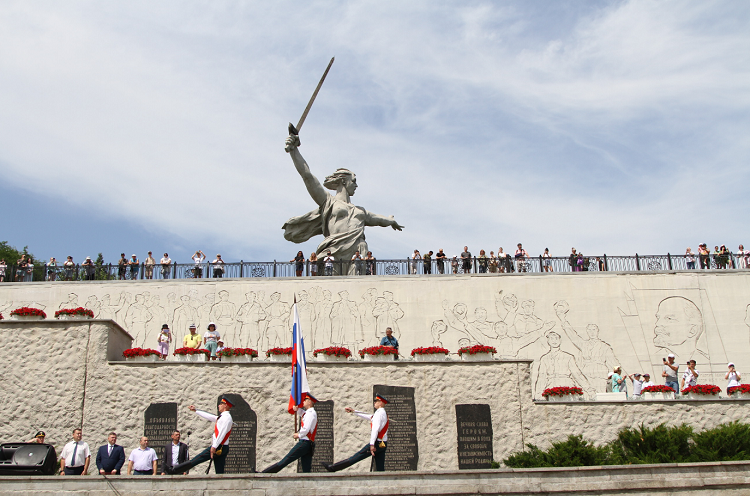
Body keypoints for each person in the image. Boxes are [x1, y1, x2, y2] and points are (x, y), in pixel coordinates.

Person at [282, 136, 404, 276]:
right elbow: (307, 176)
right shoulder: (329, 201)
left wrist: (391, 220)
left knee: (357, 289)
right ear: (345, 182)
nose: (356, 185)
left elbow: (378, 219)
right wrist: (294, 151)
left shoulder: (360, 211)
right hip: (334, 250)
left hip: (357, 251)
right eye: (354, 181)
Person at [167, 397, 235, 475]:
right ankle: (222, 486)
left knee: (197, 459)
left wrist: (214, 446)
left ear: (225, 405)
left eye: (221, 404)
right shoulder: (223, 417)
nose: (219, 406)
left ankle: (174, 470)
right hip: (222, 447)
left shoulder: (226, 418)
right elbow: (210, 416)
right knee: (219, 471)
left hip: (219, 446)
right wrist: (196, 411)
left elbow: (222, 434)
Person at [323, 394, 389, 472]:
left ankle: (333, 468)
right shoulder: (382, 413)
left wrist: (371, 444)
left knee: (356, 457)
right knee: (380, 466)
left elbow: (375, 429)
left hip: (377, 443)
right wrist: (354, 412)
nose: (374, 402)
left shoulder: (378, 413)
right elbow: (369, 416)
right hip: (383, 443)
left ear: (380, 403)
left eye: (376, 401)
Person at [261, 394, 319, 473]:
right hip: (308, 443)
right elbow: (303, 414)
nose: (303, 401)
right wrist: (297, 409)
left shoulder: (310, 413)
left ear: (309, 402)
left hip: (304, 442)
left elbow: (306, 428)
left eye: (305, 400)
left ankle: (263, 474)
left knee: (286, 460)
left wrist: (298, 435)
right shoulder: (309, 413)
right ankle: (309, 484)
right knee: (306, 469)